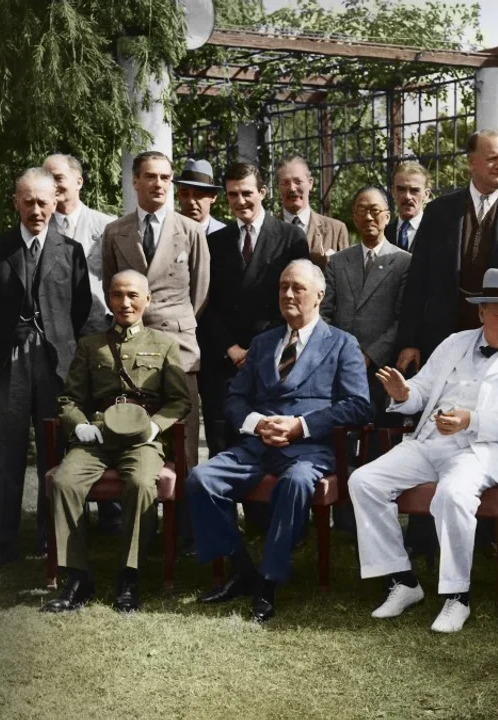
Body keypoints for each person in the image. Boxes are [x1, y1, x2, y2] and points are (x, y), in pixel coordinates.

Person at [349, 268, 498, 633]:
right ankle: (402, 580)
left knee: (453, 494)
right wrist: (404, 394)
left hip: (481, 451)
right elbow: (422, 390)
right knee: (364, 481)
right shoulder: (455, 342)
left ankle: (457, 597)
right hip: (430, 441)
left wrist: (471, 420)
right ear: (481, 313)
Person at [186, 260, 370, 622]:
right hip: (257, 444)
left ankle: (269, 581)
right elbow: (235, 397)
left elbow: (358, 406)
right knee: (200, 480)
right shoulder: (265, 341)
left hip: (309, 449)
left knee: (296, 482)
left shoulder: (342, 344)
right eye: (283, 287)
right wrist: (256, 424)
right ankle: (242, 569)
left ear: (319, 295)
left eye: (297, 288)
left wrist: (300, 425)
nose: (287, 294)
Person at [41, 270, 191, 613]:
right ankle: (77, 577)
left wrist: (155, 427)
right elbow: (69, 400)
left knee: (141, 483)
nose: (125, 303)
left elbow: (180, 400)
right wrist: (79, 426)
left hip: (142, 439)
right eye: (118, 295)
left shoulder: (164, 344)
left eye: (133, 295)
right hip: (98, 435)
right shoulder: (90, 345)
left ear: (147, 300)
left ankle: (129, 576)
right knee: (64, 481)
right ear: (109, 299)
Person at [0, 168, 90, 568]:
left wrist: (55, 341)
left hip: (54, 363)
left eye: (44, 202)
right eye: (29, 201)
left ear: (57, 202)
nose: (37, 210)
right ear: (16, 203)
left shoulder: (71, 250)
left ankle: (51, 536)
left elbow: (79, 309)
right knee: (2, 450)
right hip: (6, 363)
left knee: (54, 450)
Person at [396, 129, 498, 371]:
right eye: (492, 158)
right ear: (471, 163)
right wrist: (409, 341)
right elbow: (417, 281)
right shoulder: (439, 212)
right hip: (444, 337)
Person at [101, 150, 210, 483]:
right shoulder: (116, 231)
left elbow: (200, 292)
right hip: (131, 350)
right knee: (134, 433)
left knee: (185, 439)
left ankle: (188, 530)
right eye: (151, 176)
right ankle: (143, 523)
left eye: (166, 177)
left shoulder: (190, 231)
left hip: (179, 350)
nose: (159, 184)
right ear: (135, 181)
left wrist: (175, 322)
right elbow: (111, 285)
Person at [197, 162, 309, 458]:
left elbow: (295, 302)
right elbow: (205, 302)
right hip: (223, 360)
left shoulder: (290, 238)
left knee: (265, 450)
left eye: (246, 193)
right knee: (222, 448)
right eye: (233, 195)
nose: (240, 201)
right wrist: (230, 348)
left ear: (263, 192)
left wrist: (257, 348)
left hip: (269, 357)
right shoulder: (213, 242)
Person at [322, 186, 410, 424]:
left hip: (382, 367)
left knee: (380, 443)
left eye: (374, 210)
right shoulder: (338, 262)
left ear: (387, 216)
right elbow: (325, 313)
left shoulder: (403, 261)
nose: (368, 217)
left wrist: (370, 356)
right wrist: (341, 354)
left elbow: (402, 319)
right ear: (354, 217)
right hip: (341, 364)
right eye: (361, 210)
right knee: (341, 439)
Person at [44, 153, 115, 335]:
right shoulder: (39, 228)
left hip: (97, 327)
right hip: (52, 329)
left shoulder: (107, 227)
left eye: (58, 178)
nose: (52, 185)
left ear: (79, 182)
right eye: (46, 178)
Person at [276, 155, 349, 269]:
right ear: (278, 188)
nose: (292, 188)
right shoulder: (267, 231)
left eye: (298, 181)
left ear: (310, 183)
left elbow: (345, 279)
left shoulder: (336, 230)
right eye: (285, 183)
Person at [384, 162, 431, 252]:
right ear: (393, 192)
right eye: (401, 189)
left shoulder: (437, 233)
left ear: (426, 194)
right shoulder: (383, 234)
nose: (407, 196)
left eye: (414, 190)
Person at [175, 158, 226, 235]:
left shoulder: (225, 234)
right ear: (178, 195)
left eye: (199, 194)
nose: (191, 201)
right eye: (185, 194)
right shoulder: (166, 232)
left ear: (213, 197)